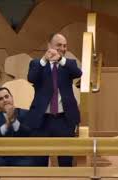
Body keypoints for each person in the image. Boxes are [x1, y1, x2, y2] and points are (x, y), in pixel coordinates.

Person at [26, 33, 82, 167]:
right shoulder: (37, 64)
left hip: (64, 119)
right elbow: (31, 78)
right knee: (39, 162)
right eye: (59, 45)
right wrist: (44, 60)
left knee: (66, 161)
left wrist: (61, 59)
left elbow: (78, 73)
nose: (63, 48)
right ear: (49, 46)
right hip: (42, 120)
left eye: (65, 46)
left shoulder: (69, 64)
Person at [0, 87, 33, 166]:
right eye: (0, 99)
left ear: (12, 97)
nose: (5, 100)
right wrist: (6, 125)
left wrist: (14, 122)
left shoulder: (25, 114)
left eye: (6, 96)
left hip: (21, 155)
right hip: (1, 156)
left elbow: (29, 134)